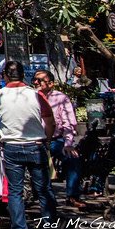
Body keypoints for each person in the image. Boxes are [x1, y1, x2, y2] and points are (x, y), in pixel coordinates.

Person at [0, 60, 59, 229]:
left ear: (5, 76)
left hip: (11, 146)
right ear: (23, 76)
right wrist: (47, 140)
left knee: (15, 191)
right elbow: (50, 121)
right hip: (36, 145)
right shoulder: (36, 94)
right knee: (44, 190)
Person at [34, 69, 84, 208]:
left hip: (55, 139)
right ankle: (41, 196)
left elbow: (69, 122)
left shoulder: (60, 98)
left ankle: (72, 195)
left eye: (40, 80)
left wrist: (68, 143)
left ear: (50, 83)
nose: (36, 82)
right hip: (35, 140)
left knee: (73, 159)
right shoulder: (30, 97)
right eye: (35, 80)